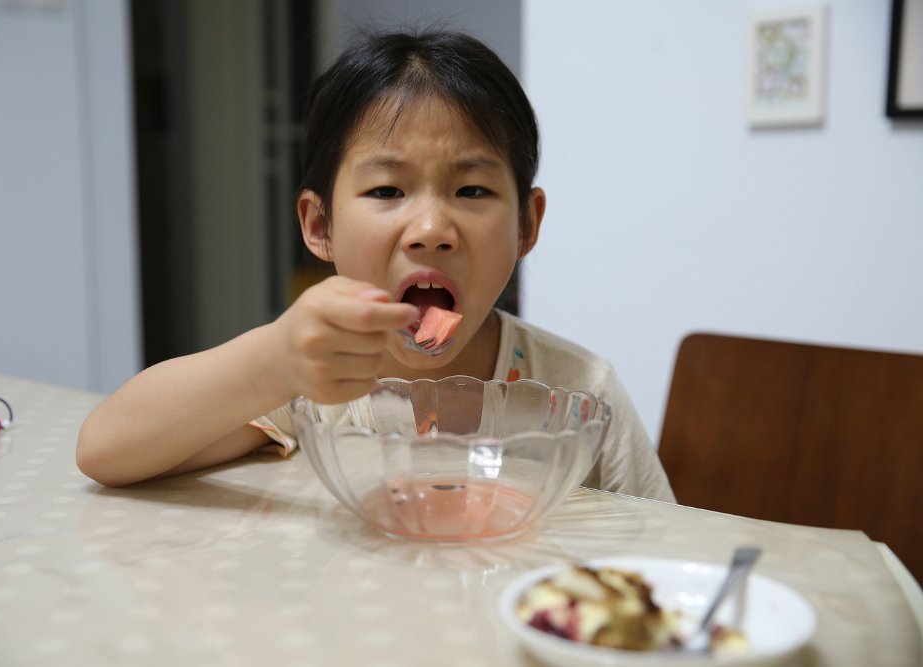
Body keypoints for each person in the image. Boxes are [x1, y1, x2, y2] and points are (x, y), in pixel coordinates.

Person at [76, 29, 675, 503]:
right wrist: (274, 359)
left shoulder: (581, 392)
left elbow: (663, 542)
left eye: (471, 191)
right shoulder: (308, 383)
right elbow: (105, 451)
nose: (432, 230)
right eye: (387, 190)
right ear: (320, 226)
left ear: (526, 225)